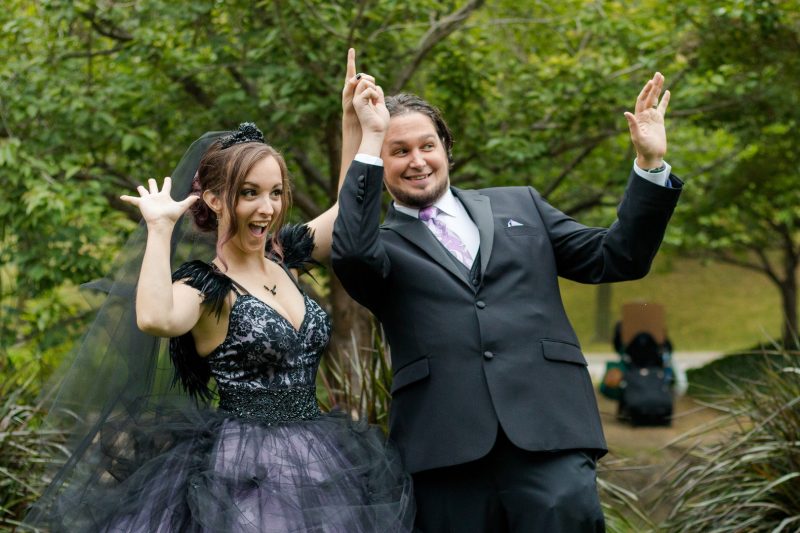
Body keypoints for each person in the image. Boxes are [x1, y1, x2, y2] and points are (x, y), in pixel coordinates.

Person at [25, 52, 413, 532]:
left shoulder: (286, 260)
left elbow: (347, 212)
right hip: (243, 471)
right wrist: (160, 228)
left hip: (318, 456)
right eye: (249, 192)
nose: (267, 207)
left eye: (275, 192)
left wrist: (353, 123)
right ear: (212, 198)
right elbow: (155, 318)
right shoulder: (208, 288)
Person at [332, 70, 683, 531]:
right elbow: (351, 253)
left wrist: (650, 167)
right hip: (443, 450)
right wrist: (366, 138)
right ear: (381, 161)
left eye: (426, 146)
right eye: (398, 151)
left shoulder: (522, 205)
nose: (416, 161)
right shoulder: (377, 246)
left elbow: (617, 257)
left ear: (446, 150)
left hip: (549, 432)